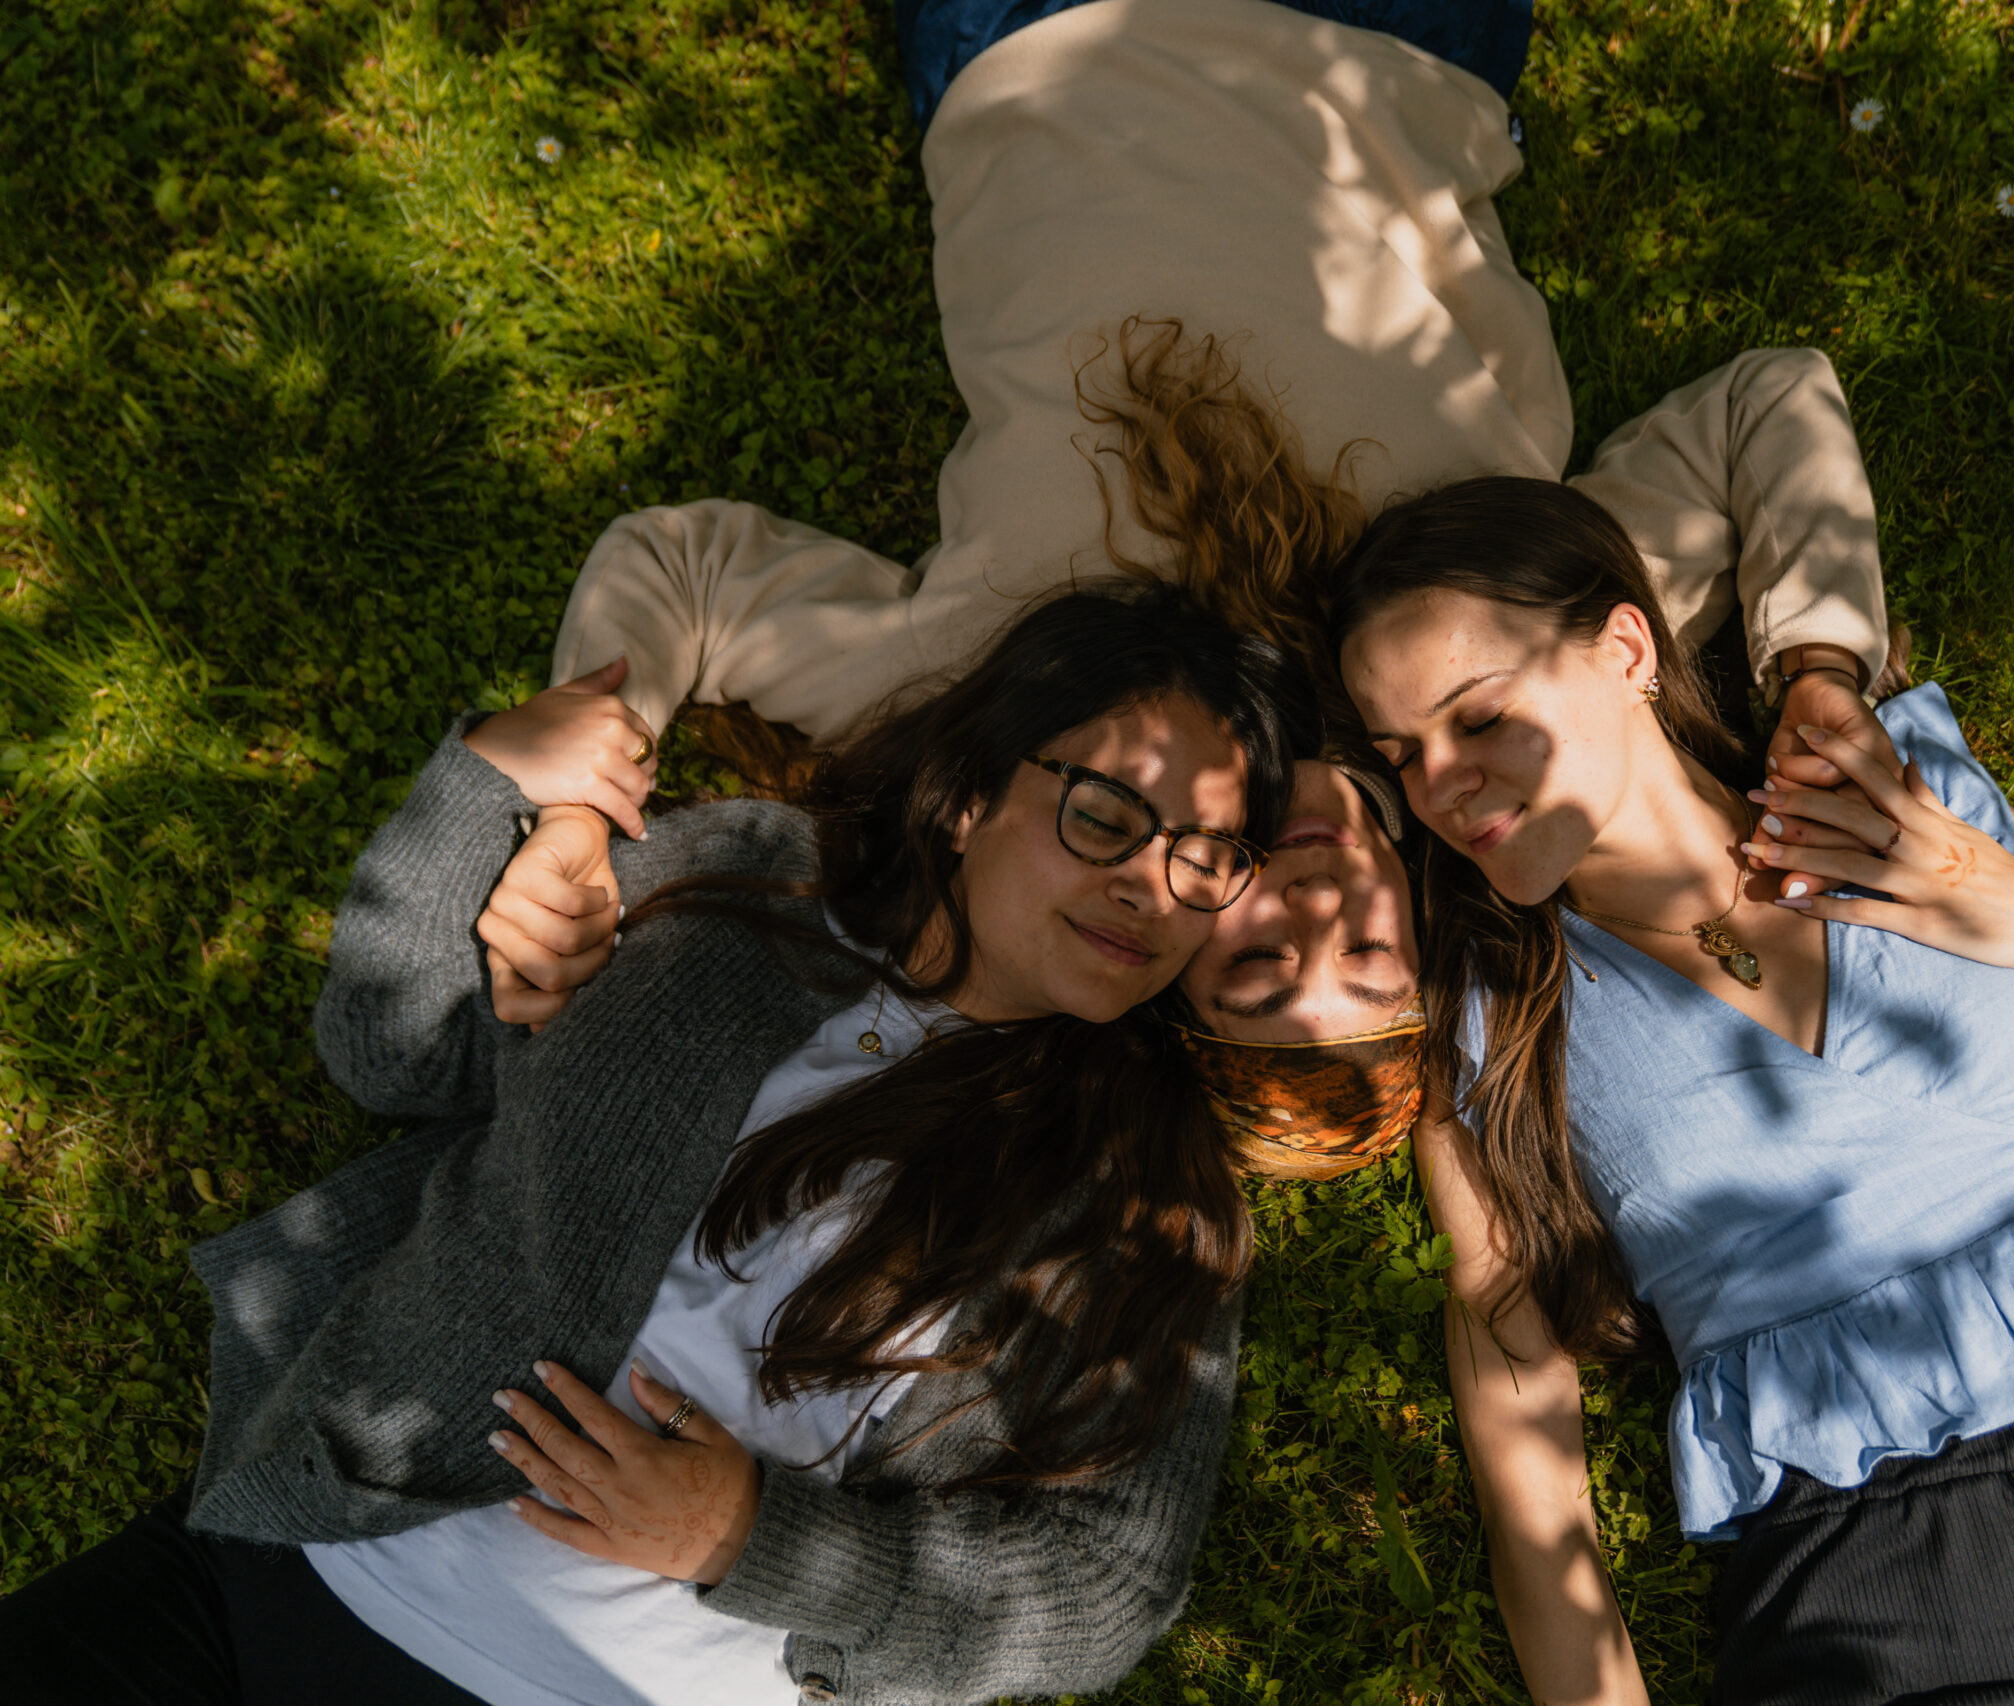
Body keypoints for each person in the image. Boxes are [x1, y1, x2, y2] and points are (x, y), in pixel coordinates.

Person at [490, 0, 1907, 1050]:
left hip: (1028, 34)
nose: (1311, 915)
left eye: (1253, 968)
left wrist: (569, 815)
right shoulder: (1495, 655)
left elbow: (677, 570)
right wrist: (1821, 678)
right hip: (1399, 41)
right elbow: (1768, 405)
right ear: (1426, 924)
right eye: (1368, 959)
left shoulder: (1011, 705)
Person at [0, 587, 1305, 1706]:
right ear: (971, 794)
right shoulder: (740, 876)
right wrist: (493, 781)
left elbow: (1107, 1587)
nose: (1152, 887)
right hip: (297, 1552)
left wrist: (751, 1535)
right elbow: (391, 1050)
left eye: (1208, 858)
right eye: (1106, 817)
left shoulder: (1147, 1207)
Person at [1326, 476, 2014, 1705]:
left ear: (1625, 648)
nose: (1441, 784)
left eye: (1476, 718)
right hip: (1862, 1601)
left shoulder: (1907, 796)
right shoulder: (1490, 1021)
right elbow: (1525, 1458)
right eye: (1402, 755)